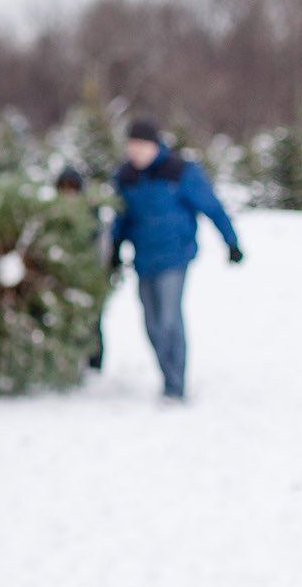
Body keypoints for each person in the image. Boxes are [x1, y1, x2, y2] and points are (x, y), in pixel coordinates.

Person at [110, 119, 243, 402]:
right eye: (132, 146)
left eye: (141, 146)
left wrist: (231, 242)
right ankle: (167, 375)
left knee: (169, 320)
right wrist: (114, 249)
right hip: (144, 259)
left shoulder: (179, 170)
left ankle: (175, 385)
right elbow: (122, 219)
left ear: (154, 145)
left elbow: (212, 206)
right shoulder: (126, 176)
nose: (136, 152)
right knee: (152, 325)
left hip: (175, 258)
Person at [55, 165, 111, 371]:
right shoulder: (54, 215)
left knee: (92, 321)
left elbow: (102, 247)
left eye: (72, 188)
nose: (69, 194)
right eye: (64, 189)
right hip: (64, 276)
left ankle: (94, 363)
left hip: (90, 275)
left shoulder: (92, 216)